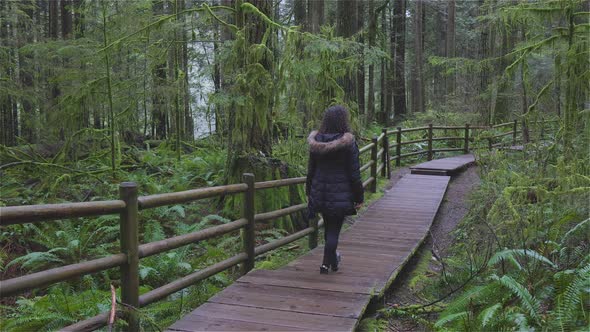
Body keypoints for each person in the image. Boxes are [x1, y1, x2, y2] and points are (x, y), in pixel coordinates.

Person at [306, 105, 364, 274]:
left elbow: (311, 170)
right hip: (341, 193)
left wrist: (309, 192)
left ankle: (332, 261)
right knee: (333, 230)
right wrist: (359, 197)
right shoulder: (348, 143)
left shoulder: (316, 141)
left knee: (329, 227)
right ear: (343, 121)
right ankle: (325, 265)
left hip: (319, 192)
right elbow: (354, 174)